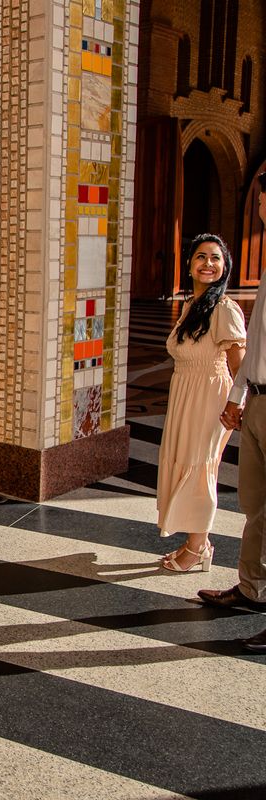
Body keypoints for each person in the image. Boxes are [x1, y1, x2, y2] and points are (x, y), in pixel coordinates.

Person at [198, 173, 266, 652]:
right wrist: (238, 395)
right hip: (259, 399)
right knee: (255, 505)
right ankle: (252, 588)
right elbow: (256, 345)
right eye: (264, 198)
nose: (264, 206)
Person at [156, 233, 246, 571]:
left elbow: (240, 363)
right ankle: (199, 542)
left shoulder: (225, 308)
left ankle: (196, 551)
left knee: (200, 466)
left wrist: (236, 405)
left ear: (225, 267)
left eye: (215, 258)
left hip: (210, 397)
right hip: (186, 392)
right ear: (189, 264)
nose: (208, 263)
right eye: (201, 257)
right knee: (185, 461)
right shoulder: (194, 306)